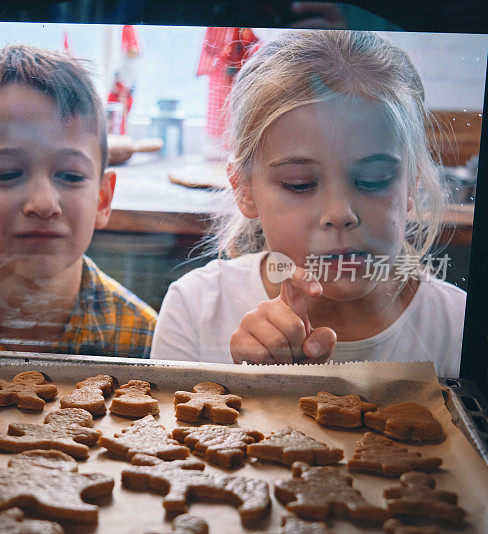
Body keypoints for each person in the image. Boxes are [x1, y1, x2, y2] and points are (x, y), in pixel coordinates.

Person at [151, 30, 465, 377]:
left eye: (372, 180)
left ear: (412, 184)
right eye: (299, 185)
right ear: (245, 190)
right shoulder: (196, 308)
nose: (340, 214)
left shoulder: (459, 325)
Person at [0, 45, 157, 358]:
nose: (43, 203)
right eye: (8, 173)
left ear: (103, 199)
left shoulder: (149, 341)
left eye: (71, 176)